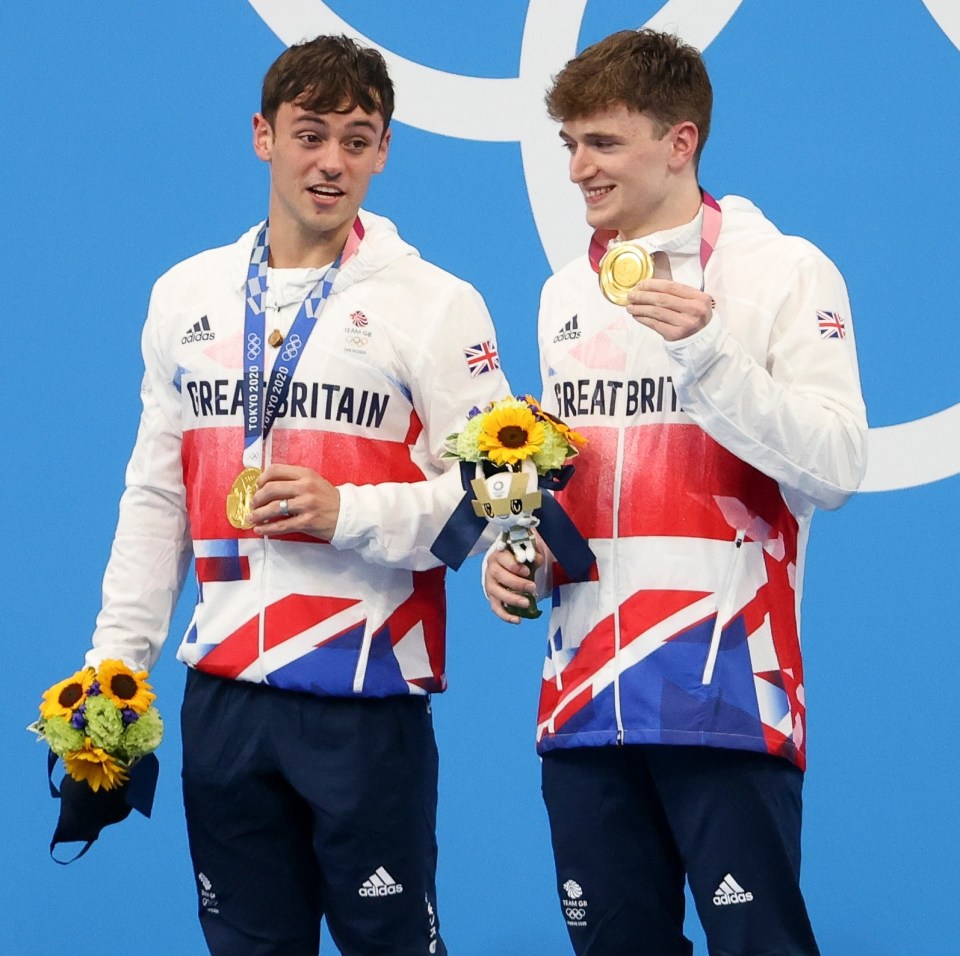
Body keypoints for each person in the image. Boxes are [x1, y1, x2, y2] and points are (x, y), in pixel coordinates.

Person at [85, 35, 510, 956]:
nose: (332, 162)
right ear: (262, 137)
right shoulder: (184, 295)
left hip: (366, 700)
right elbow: (156, 497)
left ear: (385, 149)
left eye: (357, 140)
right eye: (311, 134)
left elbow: (490, 504)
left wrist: (348, 512)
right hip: (224, 699)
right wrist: (114, 669)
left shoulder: (436, 304)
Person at [484, 28, 867, 956]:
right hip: (582, 697)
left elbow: (837, 466)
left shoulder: (784, 271)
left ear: (680, 141)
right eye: (569, 143)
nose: (578, 167)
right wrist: (522, 558)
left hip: (725, 689)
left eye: (603, 142)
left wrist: (707, 351)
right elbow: (577, 483)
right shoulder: (563, 293)